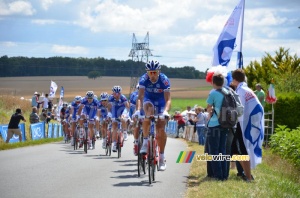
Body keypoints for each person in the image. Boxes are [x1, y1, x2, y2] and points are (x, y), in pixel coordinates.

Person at [134, 60, 171, 171]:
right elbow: (140, 97)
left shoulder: (164, 80)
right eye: (150, 72)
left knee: (160, 128)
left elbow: (168, 99)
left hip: (161, 102)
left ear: (158, 72)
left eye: (155, 72)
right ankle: (145, 141)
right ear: (147, 72)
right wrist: (138, 110)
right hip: (148, 99)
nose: (153, 75)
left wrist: (165, 111)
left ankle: (162, 157)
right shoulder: (143, 79)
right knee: (147, 113)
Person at [231, 69, 264, 182]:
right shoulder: (247, 89)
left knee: (240, 151)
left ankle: (248, 176)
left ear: (234, 79)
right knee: (237, 150)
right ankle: (247, 174)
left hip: (243, 124)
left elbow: (240, 109)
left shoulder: (240, 90)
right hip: (250, 123)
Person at [206, 73, 228, 181]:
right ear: (223, 82)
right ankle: (224, 174)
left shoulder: (213, 93)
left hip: (214, 124)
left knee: (214, 150)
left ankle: (217, 175)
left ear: (213, 82)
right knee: (222, 149)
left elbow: (209, 109)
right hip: (225, 124)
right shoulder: (228, 92)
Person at [107, 86, 130, 152]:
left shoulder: (123, 98)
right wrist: (109, 113)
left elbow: (127, 107)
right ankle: (114, 144)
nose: (117, 95)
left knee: (123, 119)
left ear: (120, 93)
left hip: (123, 110)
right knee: (114, 127)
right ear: (113, 93)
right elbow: (109, 107)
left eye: (118, 93)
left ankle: (125, 132)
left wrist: (125, 114)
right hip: (114, 110)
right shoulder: (110, 98)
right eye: (115, 94)